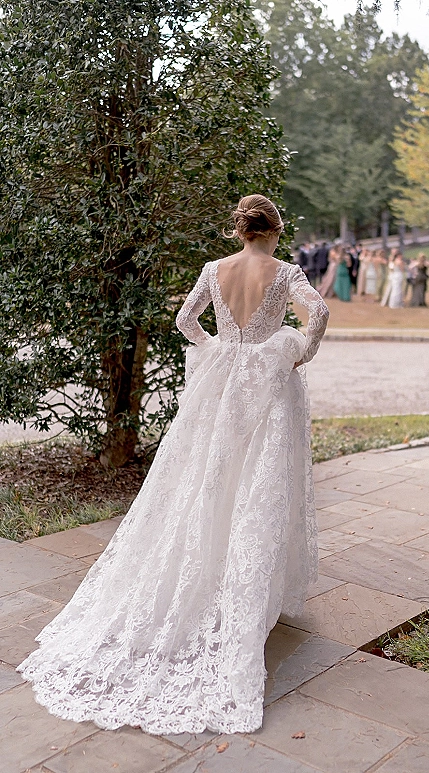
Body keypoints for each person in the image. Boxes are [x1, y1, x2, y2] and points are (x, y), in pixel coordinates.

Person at [17, 194, 329, 736]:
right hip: (267, 392)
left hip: (219, 388)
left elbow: (186, 319)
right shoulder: (283, 274)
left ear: (240, 231)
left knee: (205, 479)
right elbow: (319, 311)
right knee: (258, 486)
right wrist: (300, 349)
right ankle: (246, 590)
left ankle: (208, 568)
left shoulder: (215, 269)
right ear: (275, 231)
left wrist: (217, 348)